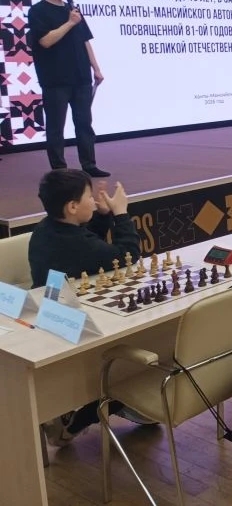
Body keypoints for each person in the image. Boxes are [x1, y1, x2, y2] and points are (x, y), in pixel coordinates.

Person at [30, 169, 145, 446]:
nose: (94, 201)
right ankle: (77, 419)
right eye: (89, 197)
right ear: (72, 207)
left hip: (53, 316)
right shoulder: (74, 243)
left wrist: (102, 216)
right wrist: (120, 214)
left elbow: (89, 247)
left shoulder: (46, 229)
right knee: (130, 363)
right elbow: (127, 255)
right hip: (77, 329)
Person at [28, 0, 108, 176]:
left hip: (81, 76)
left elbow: (85, 41)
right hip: (56, 79)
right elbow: (45, 41)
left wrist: (96, 68)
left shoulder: (73, 10)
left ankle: (89, 165)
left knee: (84, 123)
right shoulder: (38, 11)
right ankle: (59, 169)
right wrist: (70, 23)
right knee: (56, 127)